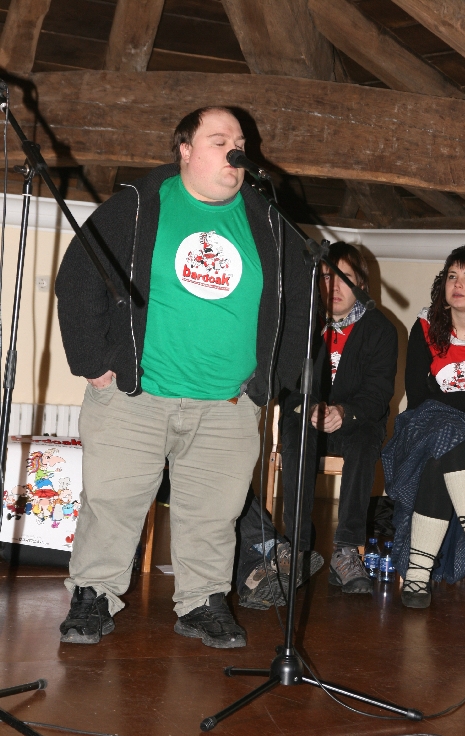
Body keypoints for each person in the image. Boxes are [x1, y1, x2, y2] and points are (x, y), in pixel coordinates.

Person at [55, 106, 310, 647]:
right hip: (135, 397)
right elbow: (78, 277)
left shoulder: (268, 221)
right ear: (185, 150)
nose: (235, 151)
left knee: (214, 514)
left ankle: (202, 602)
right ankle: (94, 594)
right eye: (220, 140)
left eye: (240, 142)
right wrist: (93, 363)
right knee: (112, 504)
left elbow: (301, 303)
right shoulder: (136, 207)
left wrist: (269, 381)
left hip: (228, 406)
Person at [236, 242, 398, 608]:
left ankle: (346, 550)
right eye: (325, 277)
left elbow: (378, 394)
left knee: (365, 439)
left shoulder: (381, 329)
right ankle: (297, 547)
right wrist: (308, 407)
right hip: (307, 417)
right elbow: (285, 383)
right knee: (296, 430)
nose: (333, 287)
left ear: (361, 284)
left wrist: (344, 411)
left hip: (356, 421)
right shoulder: (303, 325)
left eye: (344, 278)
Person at [382, 244, 465, 609]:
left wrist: (445, 402)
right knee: (444, 429)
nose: (458, 283)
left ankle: (418, 575)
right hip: (421, 430)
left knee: (443, 449)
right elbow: (419, 399)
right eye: (452, 276)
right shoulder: (424, 328)